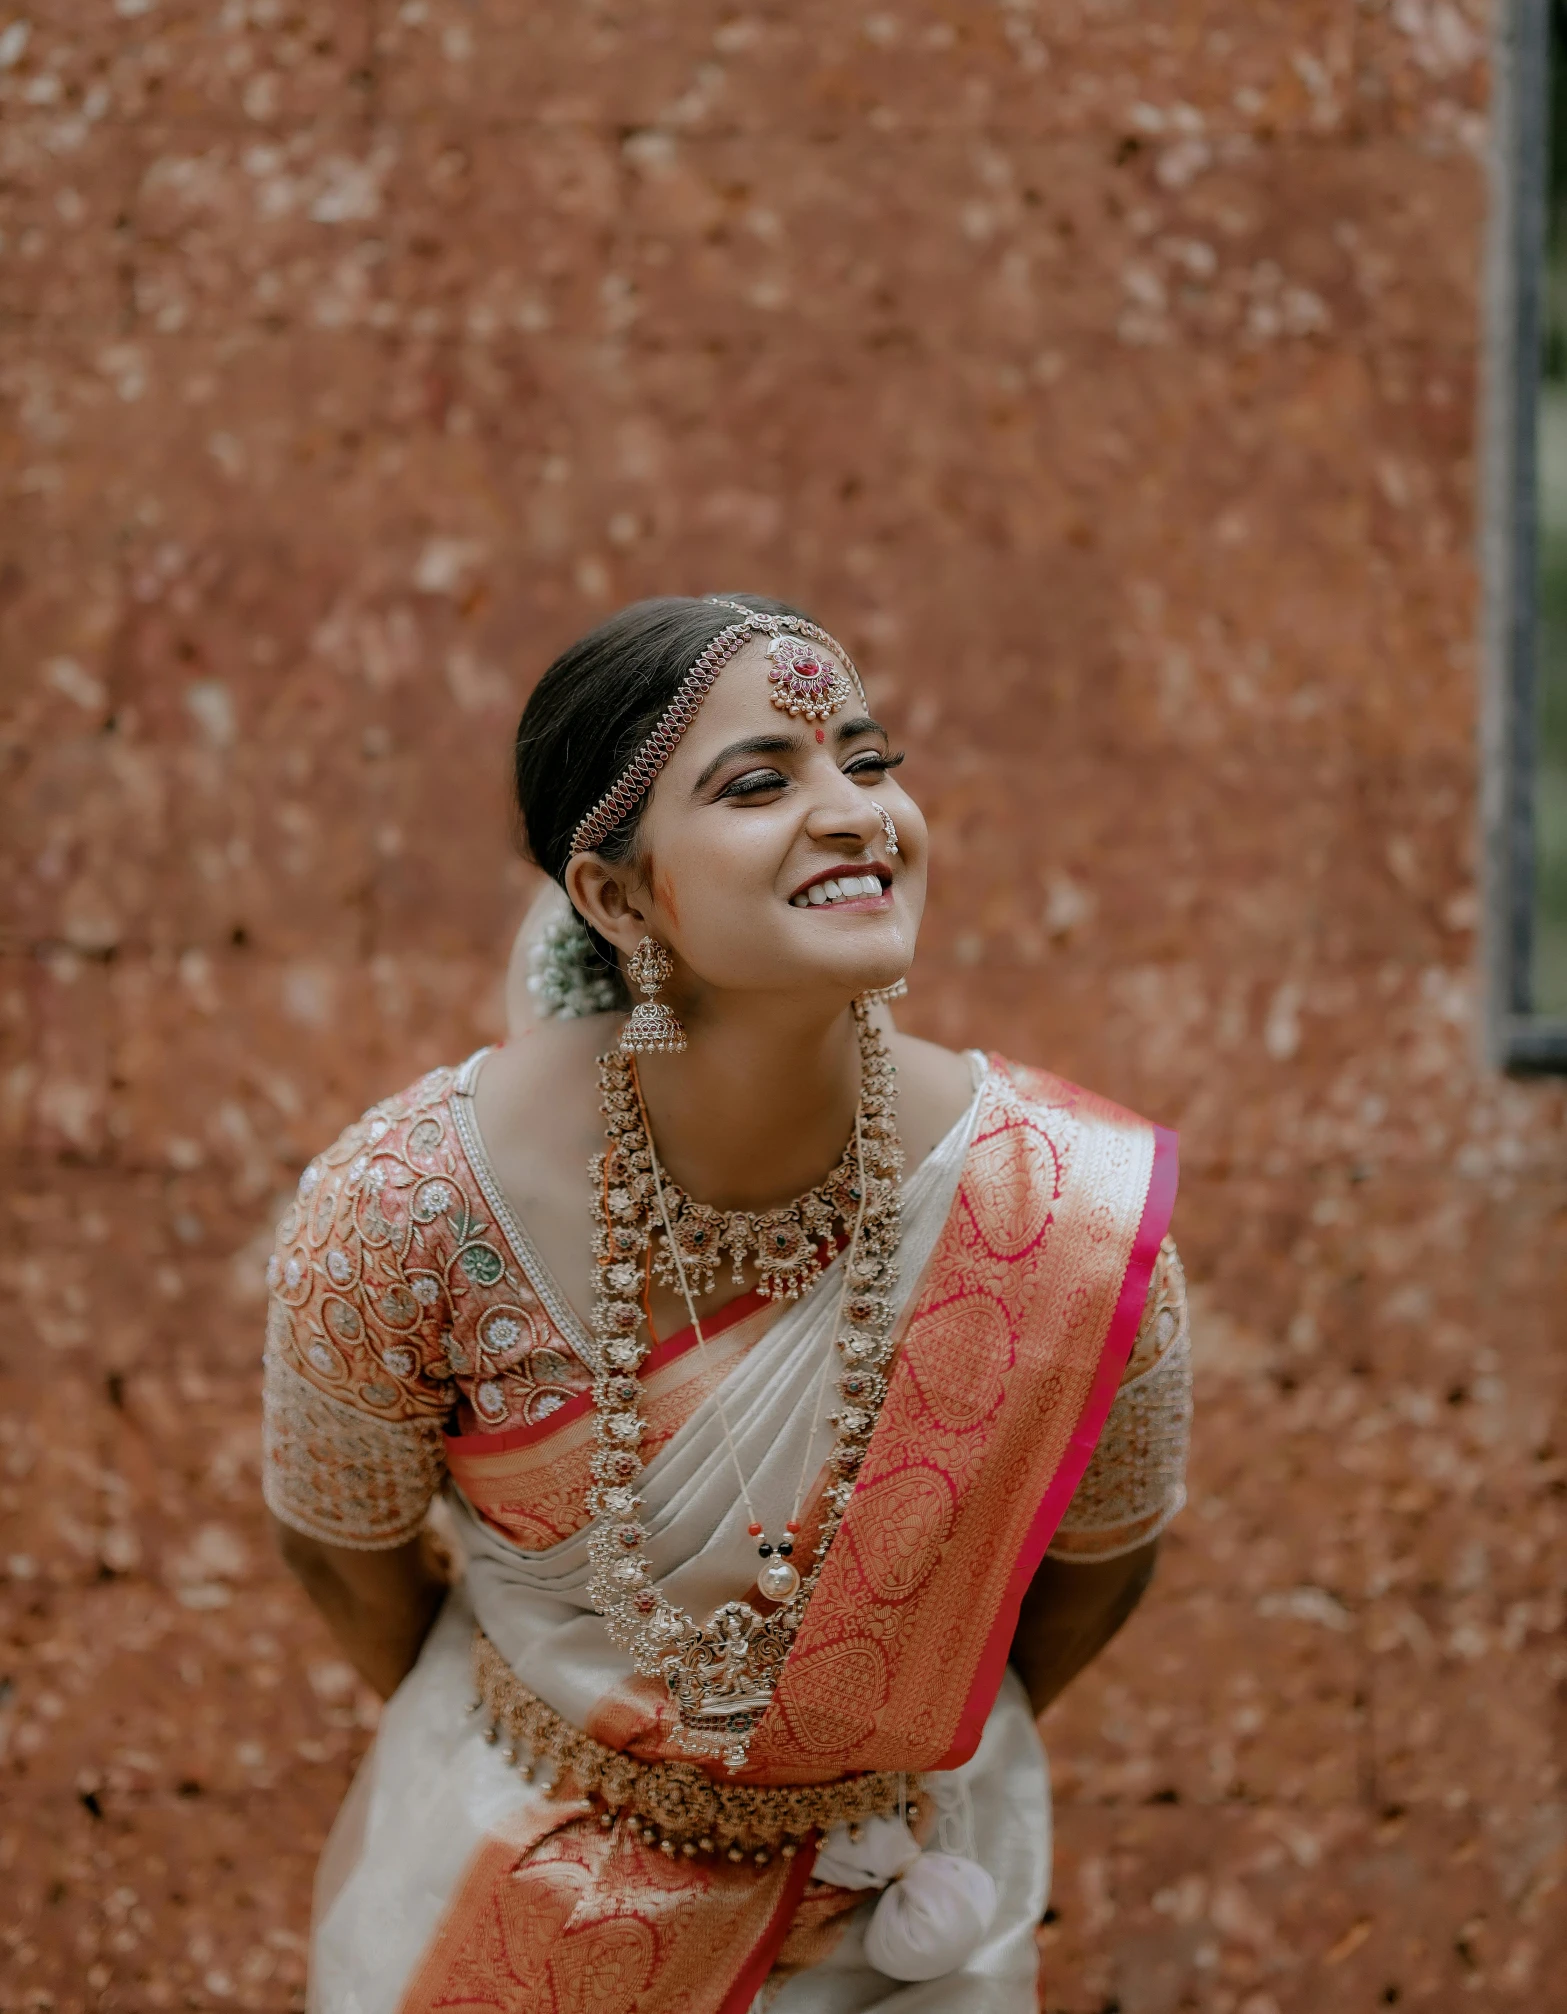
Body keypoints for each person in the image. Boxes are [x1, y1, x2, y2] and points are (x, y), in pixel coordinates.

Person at [262, 594, 1190, 2014]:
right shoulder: (407, 1208)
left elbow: (1099, 1563)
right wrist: (580, 1741)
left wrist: (856, 1743)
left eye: (867, 762)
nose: (855, 812)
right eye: (760, 782)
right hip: (497, 1889)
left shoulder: (1056, 1212)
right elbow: (340, 1541)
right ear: (617, 897)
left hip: (893, 1924)